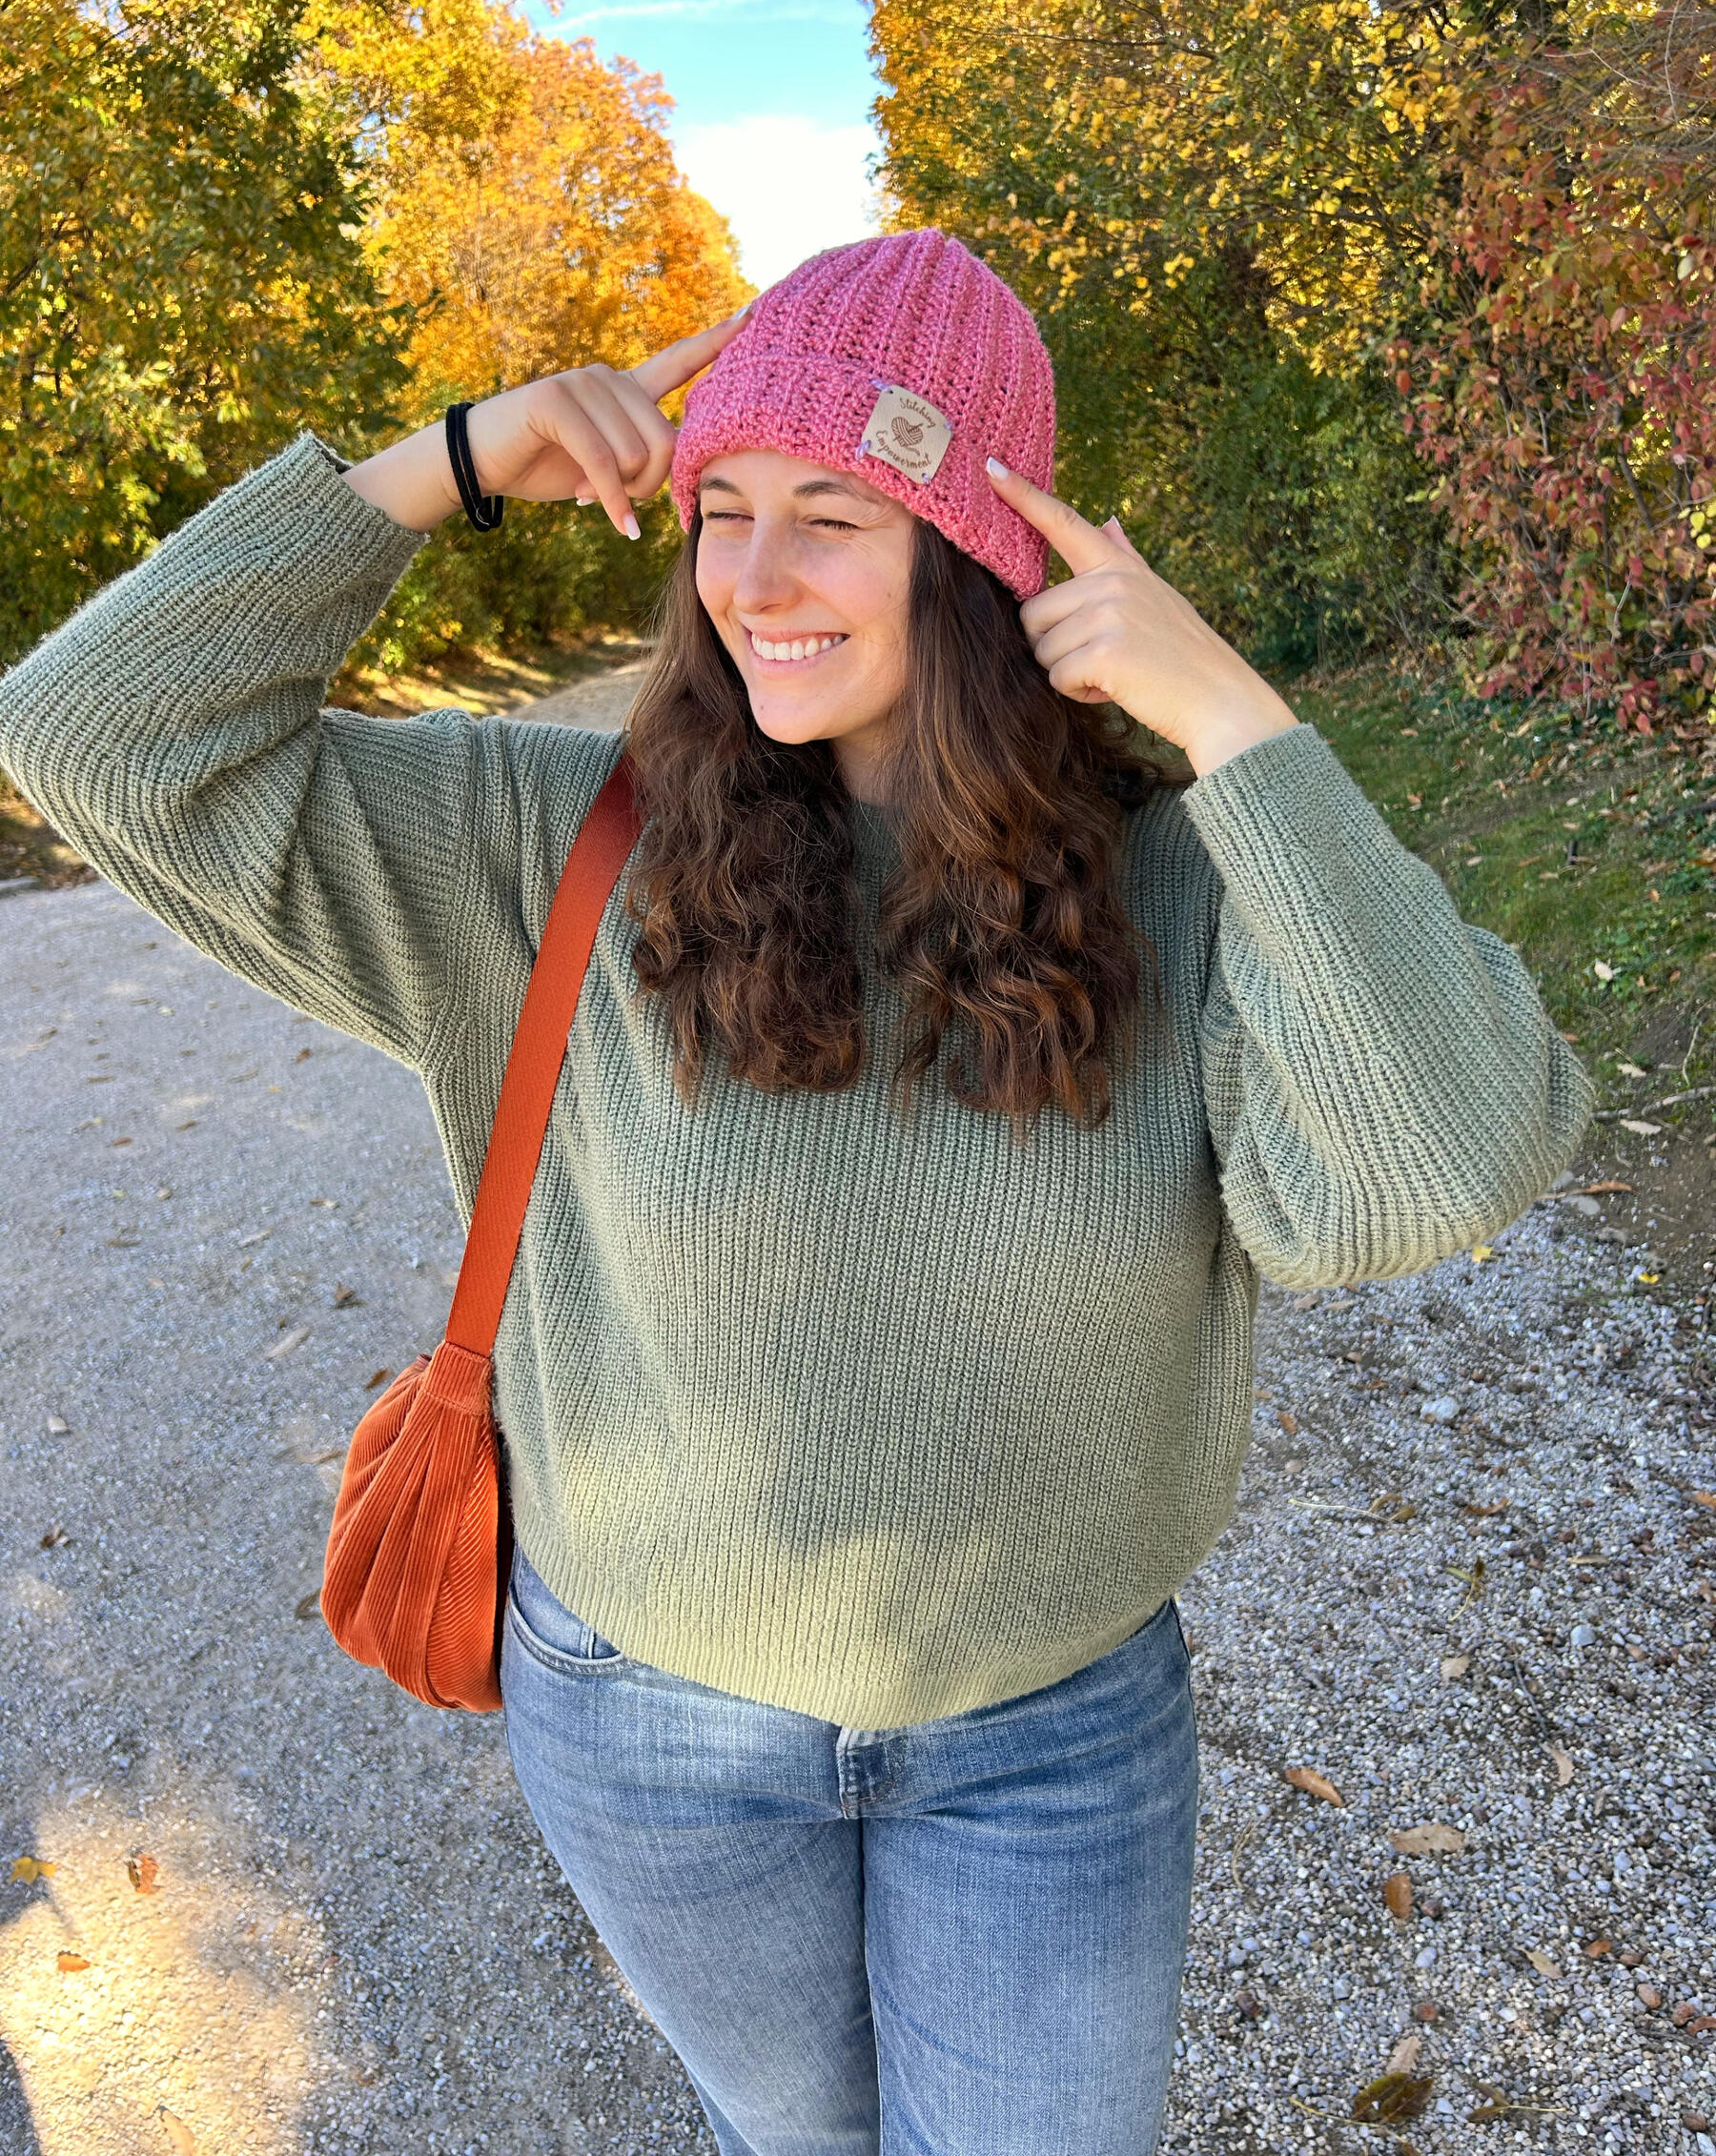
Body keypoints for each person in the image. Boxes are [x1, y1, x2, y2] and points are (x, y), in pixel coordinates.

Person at [0, 228, 1591, 2155]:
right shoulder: (547, 843)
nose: (751, 580)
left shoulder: (1182, 881)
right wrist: (449, 459)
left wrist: (1243, 726)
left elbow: (1434, 1166)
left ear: (981, 560)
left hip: (1049, 1728)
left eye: (831, 518)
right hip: (651, 1723)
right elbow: (91, 736)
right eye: (720, 511)